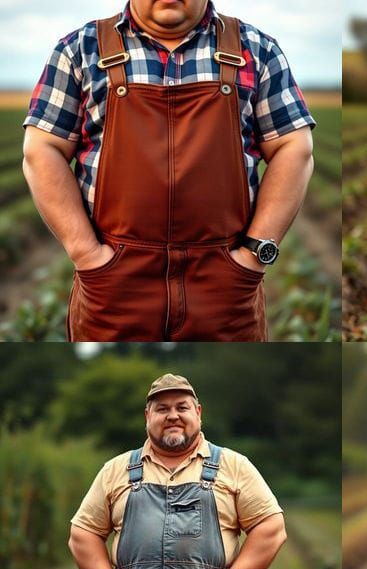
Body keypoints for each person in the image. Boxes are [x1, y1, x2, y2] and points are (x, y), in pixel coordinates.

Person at [22, 0, 316, 342]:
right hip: (114, 281)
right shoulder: (80, 49)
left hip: (225, 282)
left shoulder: (257, 49)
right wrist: (85, 253)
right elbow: (43, 149)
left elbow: (293, 148)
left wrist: (253, 256)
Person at [68, 373, 288, 569]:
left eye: (182, 407)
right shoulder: (116, 469)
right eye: (162, 408)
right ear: (148, 416)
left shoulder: (233, 465)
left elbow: (271, 526)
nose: (173, 415)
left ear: (198, 412)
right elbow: (83, 532)